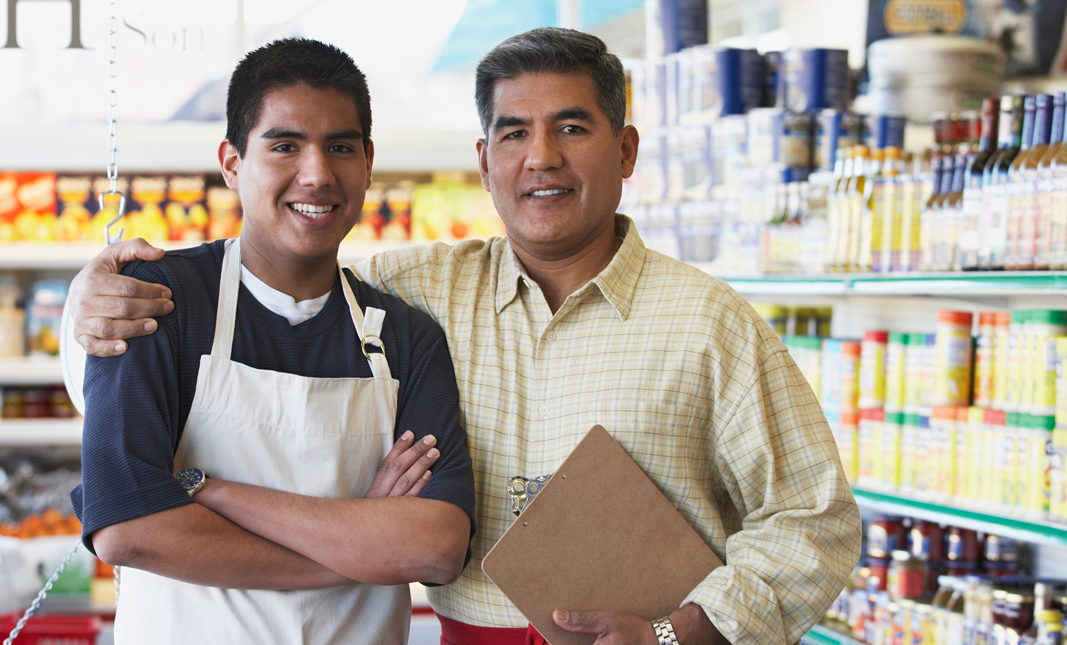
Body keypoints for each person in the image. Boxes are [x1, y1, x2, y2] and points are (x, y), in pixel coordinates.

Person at [68, 28, 861, 645]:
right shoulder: (418, 289)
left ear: (624, 151)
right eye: (513, 133)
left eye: (572, 127)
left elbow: (814, 519)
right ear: (484, 162)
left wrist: (677, 629)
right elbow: (290, 262)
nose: (540, 158)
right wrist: (88, 300)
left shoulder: (708, 321)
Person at [69, 38, 475, 644]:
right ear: (232, 162)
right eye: (284, 145)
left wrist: (206, 489)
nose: (316, 173)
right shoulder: (159, 303)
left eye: (339, 147)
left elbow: (436, 548)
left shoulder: (405, 335)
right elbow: (129, 528)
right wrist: (361, 547)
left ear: (367, 161)